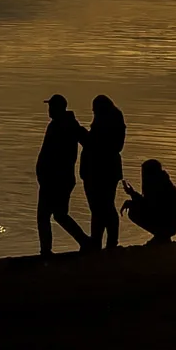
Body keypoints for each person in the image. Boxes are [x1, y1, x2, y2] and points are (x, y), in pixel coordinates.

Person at [34, 93, 91, 258]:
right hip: (55, 178)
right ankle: (84, 241)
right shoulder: (60, 124)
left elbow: (86, 140)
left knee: (45, 216)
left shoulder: (65, 125)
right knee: (59, 214)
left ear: (57, 108)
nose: (49, 110)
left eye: (51, 107)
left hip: (56, 179)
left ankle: (46, 251)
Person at [81, 95, 127, 251]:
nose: (93, 112)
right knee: (102, 207)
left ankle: (105, 242)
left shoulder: (105, 125)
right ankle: (101, 242)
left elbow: (96, 145)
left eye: (94, 109)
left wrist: (82, 135)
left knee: (102, 207)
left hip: (100, 172)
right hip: (107, 171)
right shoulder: (114, 123)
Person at [123, 159, 176, 245]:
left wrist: (133, 198)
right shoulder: (164, 182)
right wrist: (132, 193)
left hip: (169, 225)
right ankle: (161, 236)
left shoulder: (157, 186)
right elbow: (149, 204)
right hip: (172, 224)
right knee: (134, 207)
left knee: (133, 212)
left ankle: (161, 236)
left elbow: (150, 207)